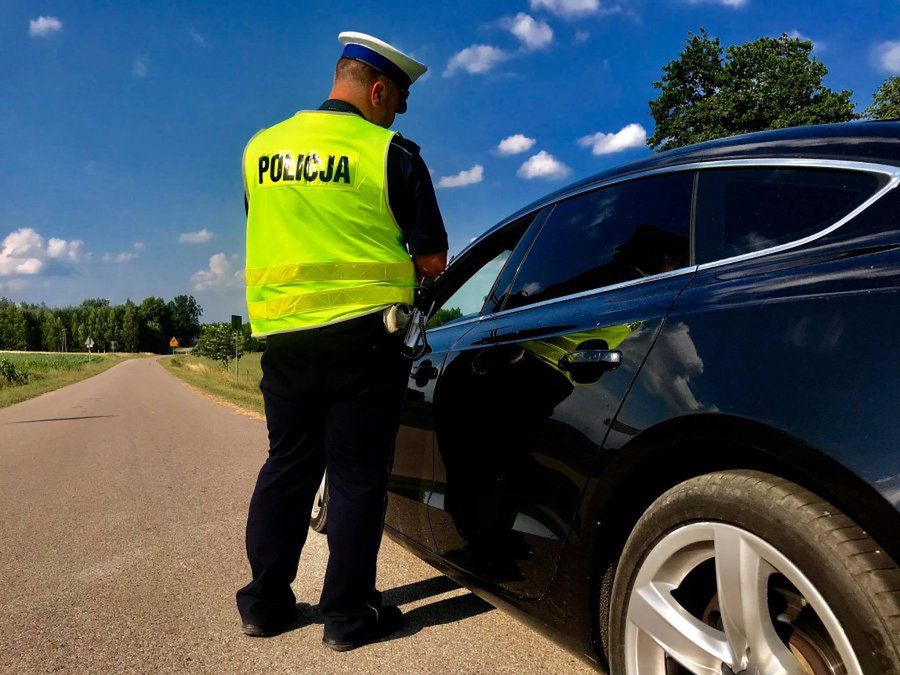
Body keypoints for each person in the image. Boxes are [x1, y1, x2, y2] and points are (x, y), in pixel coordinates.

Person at [236, 31, 448, 651]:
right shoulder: (391, 153)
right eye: (398, 101)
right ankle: (349, 616)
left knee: (287, 467)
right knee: (356, 477)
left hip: (285, 339)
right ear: (378, 90)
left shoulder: (260, 149)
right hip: (365, 341)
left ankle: (264, 605)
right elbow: (433, 260)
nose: (398, 114)